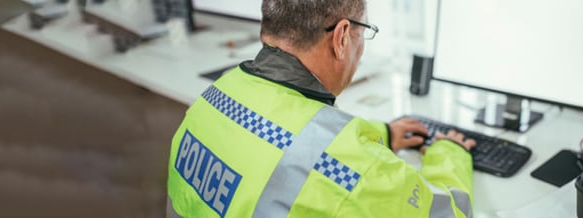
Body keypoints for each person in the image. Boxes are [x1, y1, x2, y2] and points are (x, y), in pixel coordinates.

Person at [166, 0, 476, 217]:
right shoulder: (357, 173)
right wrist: (449, 152)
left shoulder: (214, 97)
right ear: (341, 37)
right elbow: (451, 212)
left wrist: (382, 136)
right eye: (363, 31)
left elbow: (288, 138)